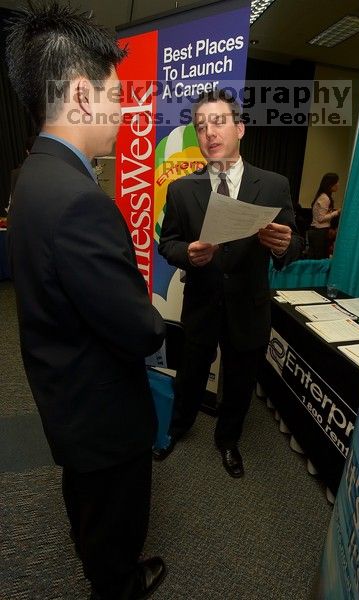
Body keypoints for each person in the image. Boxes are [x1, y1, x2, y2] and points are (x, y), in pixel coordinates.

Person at [6, 3, 166, 599]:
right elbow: (139, 329)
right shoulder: (78, 199)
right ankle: (117, 583)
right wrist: (148, 310)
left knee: (89, 507)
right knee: (114, 516)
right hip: (101, 410)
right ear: (80, 93)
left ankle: (105, 565)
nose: (124, 112)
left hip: (64, 393)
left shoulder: (32, 177)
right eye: (117, 96)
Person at [153, 89, 303, 477]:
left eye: (218, 122)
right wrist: (188, 252)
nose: (209, 133)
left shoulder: (273, 185)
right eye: (201, 126)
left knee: (238, 384)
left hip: (249, 307)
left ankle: (228, 441)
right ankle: (177, 428)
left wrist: (284, 245)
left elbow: (295, 239)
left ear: (240, 127)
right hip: (202, 304)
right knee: (189, 375)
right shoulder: (183, 189)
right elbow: (167, 244)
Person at [308, 173, 340, 259]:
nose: (338, 184)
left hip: (316, 231)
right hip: (319, 232)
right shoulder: (325, 198)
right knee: (319, 259)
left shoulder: (322, 196)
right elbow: (321, 218)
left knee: (315, 258)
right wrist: (337, 212)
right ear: (330, 184)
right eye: (336, 182)